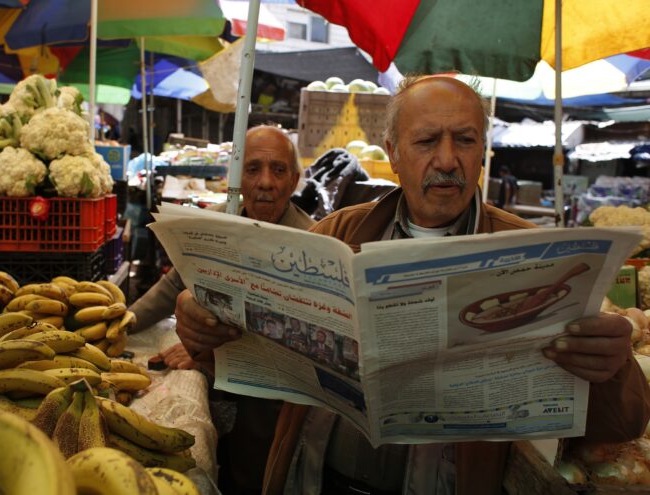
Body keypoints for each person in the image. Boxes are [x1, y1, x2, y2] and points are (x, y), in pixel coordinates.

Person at [173, 76, 650, 495]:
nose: (448, 160)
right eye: (426, 141)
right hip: (316, 478)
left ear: (482, 149)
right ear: (394, 154)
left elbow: (621, 424)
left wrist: (613, 368)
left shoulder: (537, 257)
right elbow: (250, 356)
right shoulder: (339, 235)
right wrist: (205, 328)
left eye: (465, 140)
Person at [127, 124, 315, 494]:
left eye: (278, 170)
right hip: (217, 370)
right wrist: (124, 321)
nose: (265, 182)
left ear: (293, 181)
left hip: (268, 393)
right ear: (235, 174)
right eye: (252, 168)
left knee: (252, 470)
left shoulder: (312, 241)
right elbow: (174, 284)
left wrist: (213, 355)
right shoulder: (214, 222)